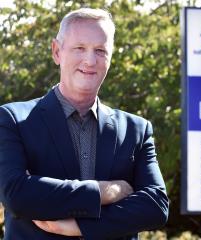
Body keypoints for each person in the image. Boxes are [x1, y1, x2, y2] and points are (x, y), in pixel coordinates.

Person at [0, 8, 169, 239]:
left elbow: (156, 206)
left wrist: (80, 227)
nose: (90, 60)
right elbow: (16, 194)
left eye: (100, 50)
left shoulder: (136, 130)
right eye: (79, 48)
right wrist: (105, 191)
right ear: (57, 51)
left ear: (111, 57)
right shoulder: (13, 120)